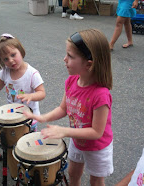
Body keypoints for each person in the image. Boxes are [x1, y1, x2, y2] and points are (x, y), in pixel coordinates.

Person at [24, 29, 113, 186]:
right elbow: (63, 109)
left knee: (96, 181)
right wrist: (43, 117)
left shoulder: (101, 95)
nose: (64, 59)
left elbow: (96, 132)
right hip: (77, 141)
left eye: (70, 56)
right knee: (73, 173)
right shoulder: (71, 81)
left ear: (88, 64)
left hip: (97, 147)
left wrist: (64, 131)